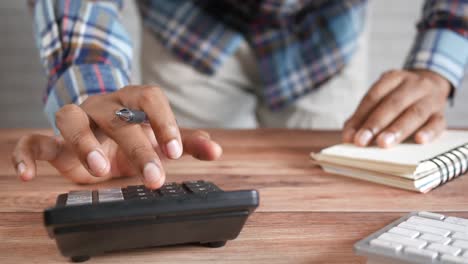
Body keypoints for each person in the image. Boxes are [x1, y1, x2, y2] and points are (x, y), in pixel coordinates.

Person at [12, 0, 467, 189]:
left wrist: (438, 65)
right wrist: (95, 89)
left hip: (322, 34)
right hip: (188, 24)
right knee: (153, 161)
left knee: (342, 169)